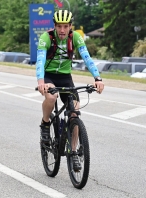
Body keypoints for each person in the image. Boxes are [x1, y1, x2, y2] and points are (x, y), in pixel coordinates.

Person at [36, 10, 104, 171]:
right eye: (59, 26)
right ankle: (46, 124)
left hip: (66, 77)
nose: (62, 30)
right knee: (52, 98)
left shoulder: (76, 37)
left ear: (70, 27)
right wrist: (41, 82)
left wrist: (98, 78)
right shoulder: (46, 38)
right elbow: (40, 61)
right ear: (54, 26)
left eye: (65, 26)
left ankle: (73, 152)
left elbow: (86, 57)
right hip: (48, 76)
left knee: (74, 111)